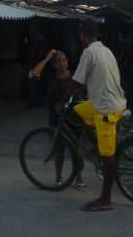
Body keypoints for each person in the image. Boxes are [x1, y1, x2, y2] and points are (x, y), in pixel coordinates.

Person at [67, 19, 127, 211]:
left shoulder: (89, 52)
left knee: (108, 156)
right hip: (111, 100)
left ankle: (105, 200)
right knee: (77, 110)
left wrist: (61, 101)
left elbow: (76, 81)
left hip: (106, 108)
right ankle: (95, 144)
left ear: (83, 35)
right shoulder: (105, 50)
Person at [32, 49, 86, 189]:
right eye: (58, 61)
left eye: (64, 60)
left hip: (75, 118)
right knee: (59, 150)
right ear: (53, 65)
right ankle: (58, 178)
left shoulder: (74, 76)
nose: (62, 64)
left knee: (77, 150)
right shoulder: (50, 78)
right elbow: (34, 73)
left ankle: (78, 178)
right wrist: (47, 57)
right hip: (57, 118)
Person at [27, 26, 49, 108]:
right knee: (36, 84)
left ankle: (35, 102)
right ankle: (37, 102)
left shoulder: (36, 39)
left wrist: (31, 65)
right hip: (39, 65)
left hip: (36, 65)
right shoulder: (40, 39)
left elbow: (33, 54)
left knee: (34, 84)